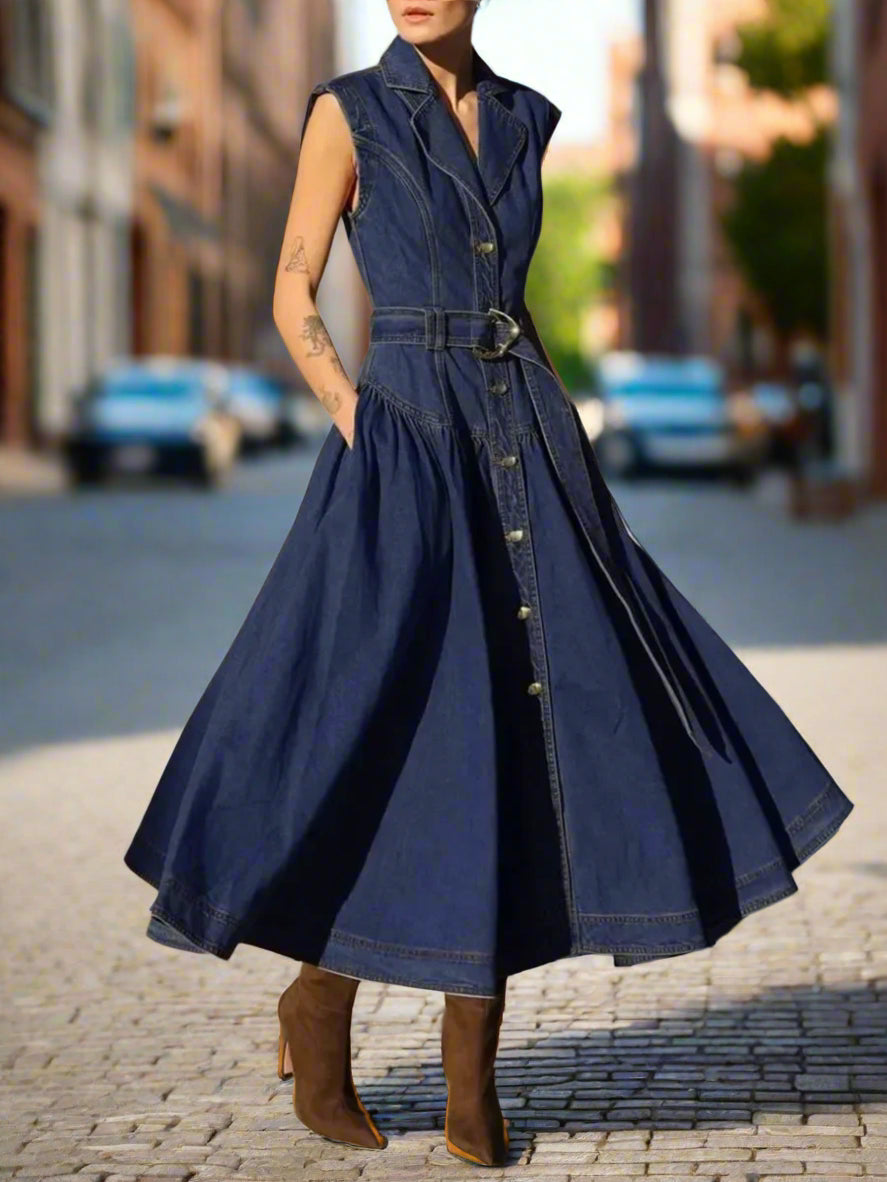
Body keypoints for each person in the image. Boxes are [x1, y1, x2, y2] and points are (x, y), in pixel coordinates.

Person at [123, 0, 854, 1169]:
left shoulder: (522, 119)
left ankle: (475, 1077)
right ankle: (318, 1004)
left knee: (529, 736)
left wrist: (573, 465)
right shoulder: (346, 113)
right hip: (406, 448)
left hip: (523, 442)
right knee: (384, 726)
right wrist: (355, 412)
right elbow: (293, 284)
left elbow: (508, 301)